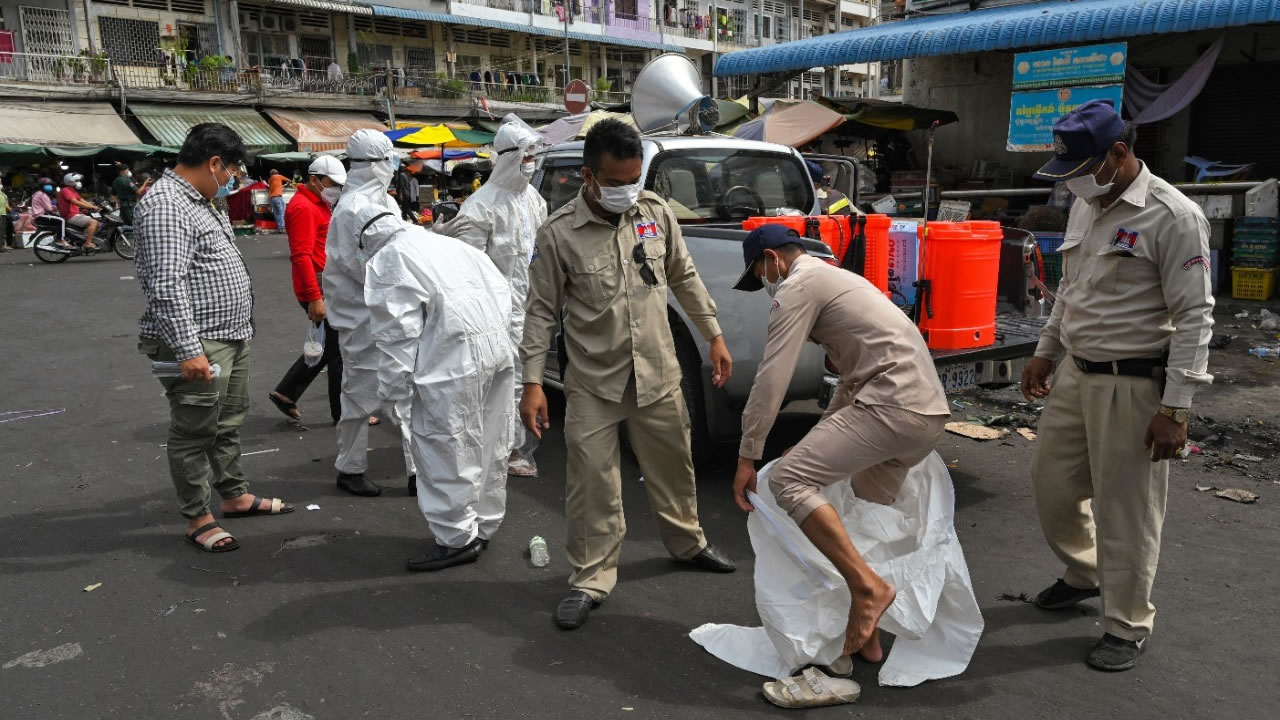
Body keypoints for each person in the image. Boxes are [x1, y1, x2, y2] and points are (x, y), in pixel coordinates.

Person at [519, 118, 737, 630]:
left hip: (659, 373)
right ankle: (590, 579)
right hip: (594, 382)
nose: (626, 192)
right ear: (589, 178)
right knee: (592, 484)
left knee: (674, 465)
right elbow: (540, 311)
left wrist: (714, 335)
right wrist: (532, 382)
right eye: (615, 183)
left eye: (634, 180)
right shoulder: (559, 234)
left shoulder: (656, 214)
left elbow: (683, 275)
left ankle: (688, 543)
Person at [1021, 99, 1214, 672]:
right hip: (1077, 374)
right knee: (1052, 485)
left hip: (1134, 385)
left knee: (1127, 509)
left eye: (1082, 170)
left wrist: (1176, 408)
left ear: (1120, 154)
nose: (1075, 184)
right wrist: (1045, 351)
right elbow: (1072, 290)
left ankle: (1127, 623)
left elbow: (1197, 317)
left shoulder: (1172, 217)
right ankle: (1085, 572)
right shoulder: (1088, 206)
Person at [729, 223, 952, 666]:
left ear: (773, 259)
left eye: (760, 273)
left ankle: (868, 589)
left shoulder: (797, 285)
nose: (764, 284)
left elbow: (773, 376)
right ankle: (867, 634)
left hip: (892, 405)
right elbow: (853, 380)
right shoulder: (840, 279)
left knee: (790, 481)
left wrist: (747, 454)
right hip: (924, 413)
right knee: (863, 521)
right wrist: (813, 441)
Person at [133, 122, 293, 553]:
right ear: (215, 163)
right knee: (194, 430)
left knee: (228, 422)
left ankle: (234, 495)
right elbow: (166, 286)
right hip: (199, 341)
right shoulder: (168, 206)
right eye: (234, 172)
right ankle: (197, 517)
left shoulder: (202, 201)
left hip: (229, 334)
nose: (235, 181)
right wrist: (188, 350)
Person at [359, 209, 516, 571]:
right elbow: (502, 290)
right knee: (492, 437)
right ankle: (485, 523)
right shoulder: (452, 247)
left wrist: (394, 390)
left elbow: (396, 332)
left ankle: (456, 538)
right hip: (496, 347)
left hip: (449, 357)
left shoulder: (389, 258)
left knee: (446, 444)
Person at [434, 114, 547, 477]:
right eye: (525, 155)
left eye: (534, 154)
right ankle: (502, 448)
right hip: (494, 311)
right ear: (510, 155)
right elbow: (468, 269)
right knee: (497, 381)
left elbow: (538, 250)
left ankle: (515, 446)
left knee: (523, 378)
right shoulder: (481, 205)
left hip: (529, 307)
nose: (530, 162)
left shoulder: (533, 199)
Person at [324, 129, 418, 498]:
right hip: (365, 318)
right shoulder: (356, 209)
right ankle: (351, 469)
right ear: (374, 164)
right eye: (388, 160)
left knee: (406, 393)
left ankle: (416, 470)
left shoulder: (379, 202)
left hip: (389, 314)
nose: (392, 166)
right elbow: (378, 263)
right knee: (366, 395)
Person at [268, 155, 347, 425]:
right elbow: (301, 255)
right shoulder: (303, 206)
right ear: (314, 180)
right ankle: (343, 413)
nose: (336, 188)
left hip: (324, 281)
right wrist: (315, 298)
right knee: (338, 351)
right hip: (317, 284)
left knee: (328, 348)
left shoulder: (320, 202)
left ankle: (285, 393)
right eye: (332, 183)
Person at [58, 172, 101, 251]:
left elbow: (81, 200)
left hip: (75, 215)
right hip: (70, 216)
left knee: (98, 224)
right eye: (77, 180)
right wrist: (91, 207)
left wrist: (93, 206)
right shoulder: (65, 190)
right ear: (70, 181)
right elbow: (76, 202)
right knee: (93, 223)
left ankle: (84, 239)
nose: (79, 182)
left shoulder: (73, 191)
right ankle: (87, 243)